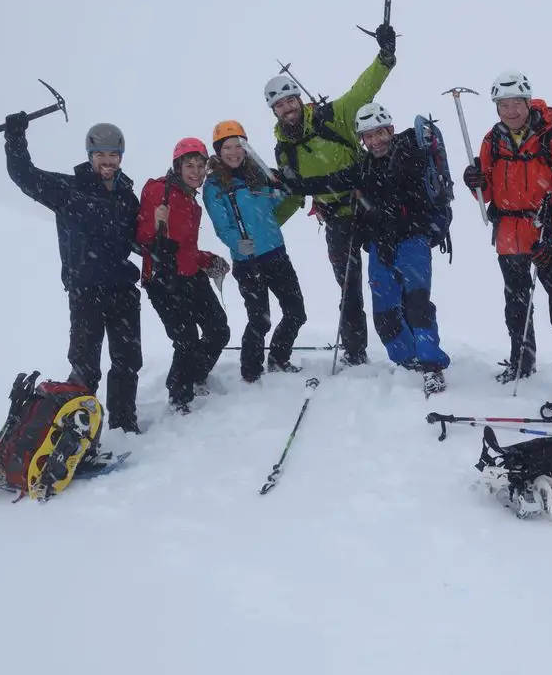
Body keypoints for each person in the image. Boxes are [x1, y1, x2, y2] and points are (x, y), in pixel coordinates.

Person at [276, 102, 450, 394]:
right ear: (362, 140)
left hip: (412, 241)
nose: (376, 141)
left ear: (391, 131)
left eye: (380, 133)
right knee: (384, 314)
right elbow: (332, 181)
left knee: (418, 304)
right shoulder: (364, 167)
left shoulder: (411, 154)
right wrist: (296, 185)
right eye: (368, 136)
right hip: (380, 246)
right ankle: (408, 362)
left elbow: (407, 187)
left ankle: (432, 366)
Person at [266, 22, 398, 367]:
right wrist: (267, 226)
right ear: (274, 112)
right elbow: (294, 196)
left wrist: (385, 56)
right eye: (279, 105)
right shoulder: (284, 151)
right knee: (349, 289)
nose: (287, 108)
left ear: (299, 99)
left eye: (290, 100)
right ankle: (356, 351)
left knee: (390, 276)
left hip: (369, 207)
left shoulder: (333, 116)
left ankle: (404, 343)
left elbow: (363, 90)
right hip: (337, 220)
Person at [4, 114, 143, 434]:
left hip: (123, 290)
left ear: (120, 157)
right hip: (86, 292)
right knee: (85, 368)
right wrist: (15, 140)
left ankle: (124, 425)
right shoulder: (69, 188)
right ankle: (77, 434)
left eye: (112, 155)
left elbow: (138, 239)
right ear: (90, 156)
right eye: (100, 155)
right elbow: (24, 175)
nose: (107, 161)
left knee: (127, 362)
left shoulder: (127, 196)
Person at [461, 71, 552, 394]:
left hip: (549, 230)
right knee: (516, 304)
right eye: (503, 105)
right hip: (509, 231)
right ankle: (522, 360)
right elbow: (489, 193)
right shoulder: (492, 140)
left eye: (516, 103)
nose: (510, 111)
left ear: (527, 101)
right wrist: (474, 182)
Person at [204, 120, 307, 383]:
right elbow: (221, 225)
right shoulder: (215, 186)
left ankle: (278, 357)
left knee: (296, 312)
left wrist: (285, 187)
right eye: (227, 147)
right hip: (248, 262)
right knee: (260, 320)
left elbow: (275, 202)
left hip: (276, 254)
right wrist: (236, 242)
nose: (234, 152)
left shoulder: (259, 174)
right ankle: (250, 369)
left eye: (239, 145)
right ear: (218, 150)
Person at [136, 138, 231, 414]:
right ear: (177, 166)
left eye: (201, 166)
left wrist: (208, 260)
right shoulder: (158, 190)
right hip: (162, 278)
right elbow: (141, 237)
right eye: (189, 165)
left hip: (189, 275)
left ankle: (195, 374)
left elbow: (185, 249)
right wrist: (154, 226)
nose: (196, 172)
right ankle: (179, 397)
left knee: (218, 329)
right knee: (186, 338)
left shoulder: (192, 203)